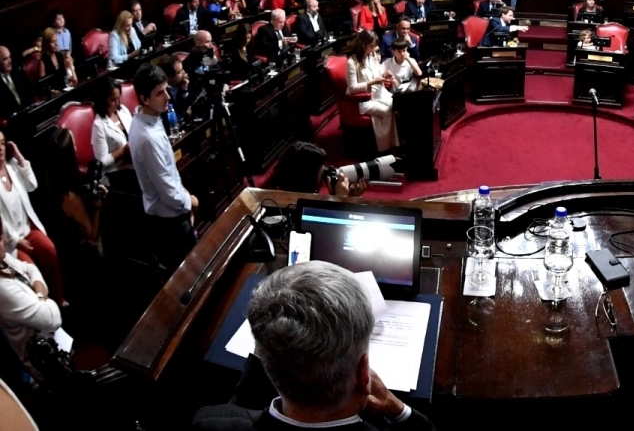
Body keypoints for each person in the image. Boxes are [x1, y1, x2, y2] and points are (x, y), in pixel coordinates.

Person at [191, 262, 435, 431]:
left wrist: (271, 346)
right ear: (364, 374)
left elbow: (238, 413)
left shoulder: (209, 423)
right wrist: (399, 411)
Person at [127, 64, 197, 269]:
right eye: (160, 93)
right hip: (170, 222)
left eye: (166, 89)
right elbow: (167, 191)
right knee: (189, 276)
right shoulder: (147, 137)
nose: (167, 96)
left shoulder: (146, 119)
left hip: (172, 213)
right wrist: (189, 201)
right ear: (144, 99)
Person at [0, 131, 62, 305]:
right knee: (31, 272)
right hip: (12, 241)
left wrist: (20, 159)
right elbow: (0, 221)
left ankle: (59, 297)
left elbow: (32, 185)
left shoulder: (12, 166)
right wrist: (16, 240)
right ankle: (43, 309)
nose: (0, 148)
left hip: (29, 229)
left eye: (3, 143)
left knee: (50, 250)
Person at [0, 215, 62, 375]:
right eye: (0, 239)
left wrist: (40, 297)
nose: (5, 241)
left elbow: (29, 268)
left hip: (50, 340)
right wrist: (42, 295)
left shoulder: (3, 261)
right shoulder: (2, 289)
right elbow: (53, 319)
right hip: (44, 365)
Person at [345, 30, 398, 153]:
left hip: (379, 93)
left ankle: (396, 142)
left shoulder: (370, 56)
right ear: (363, 44)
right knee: (387, 110)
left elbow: (378, 74)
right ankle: (385, 148)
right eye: (371, 46)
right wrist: (372, 82)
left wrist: (385, 74)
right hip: (365, 100)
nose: (374, 49)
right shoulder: (352, 62)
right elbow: (352, 88)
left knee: (398, 104)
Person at [91, 77, 133, 184]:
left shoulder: (123, 110)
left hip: (133, 163)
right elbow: (101, 162)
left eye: (119, 98)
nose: (118, 103)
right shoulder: (99, 125)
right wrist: (123, 150)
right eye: (113, 100)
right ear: (103, 100)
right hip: (115, 174)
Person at [0, 47, 33, 120]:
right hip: (10, 122)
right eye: (5, 59)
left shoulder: (16, 70)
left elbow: (28, 91)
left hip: (28, 114)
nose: (10, 61)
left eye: (10, 57)